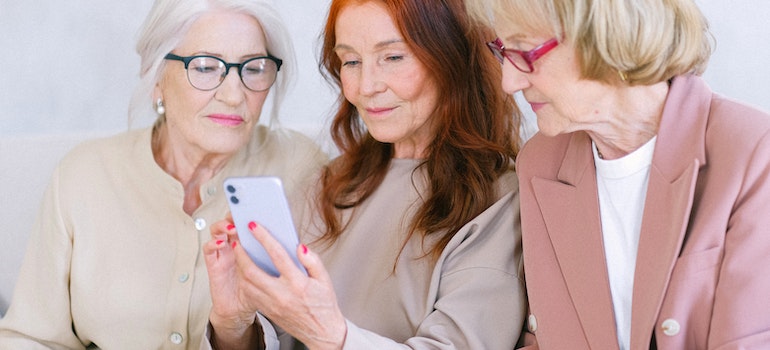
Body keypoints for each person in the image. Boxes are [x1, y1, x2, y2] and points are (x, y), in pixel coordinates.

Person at [0, 0, 326, 348]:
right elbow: (31, 336)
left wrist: (233, 330)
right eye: (204, 67)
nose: (234, 95)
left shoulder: (302, 169)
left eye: (254, 68)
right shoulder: (83, 176)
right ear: (156, 78)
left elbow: (320, 332)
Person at [201, 0, 527, 349]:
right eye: (351, 61)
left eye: (393, 57)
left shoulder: (501, 200)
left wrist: (330, 336)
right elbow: (280, 337)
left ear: (452, 57)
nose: (365, 86)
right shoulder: (330, 183)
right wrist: (234, 324)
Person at [465, 0, 770, 349]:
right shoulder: (540, 162)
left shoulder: (754, 151)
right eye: (504, 51)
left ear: (611, 41)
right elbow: (545, 338)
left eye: (527, 53)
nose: (509, 81)